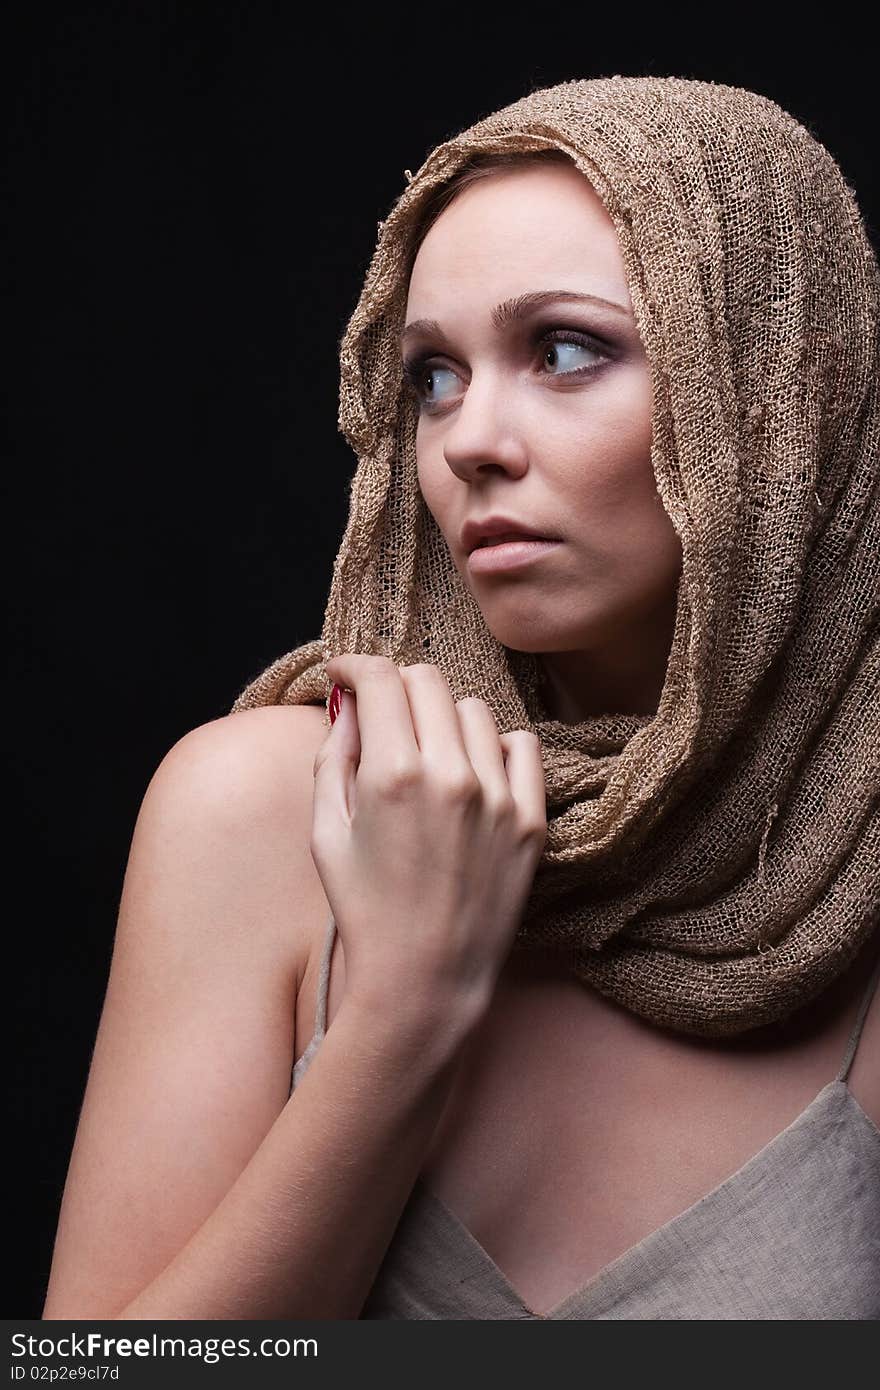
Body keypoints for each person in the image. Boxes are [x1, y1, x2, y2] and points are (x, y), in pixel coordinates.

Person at [42, 76, 879, 1321]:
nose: (466, 438)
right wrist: (400, 1019)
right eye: (433, 373)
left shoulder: (848, 866)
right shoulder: (274, 808)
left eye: (563, 349)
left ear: (776, 403)